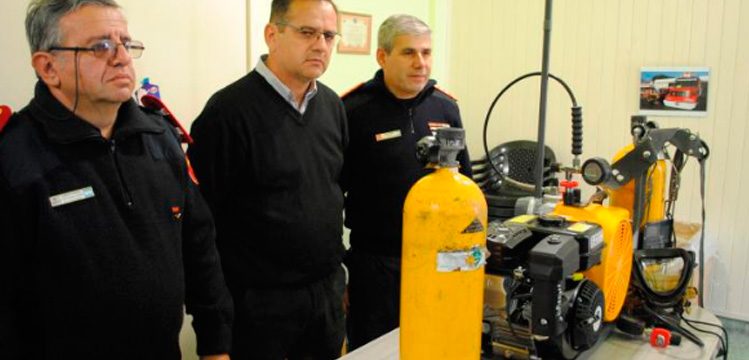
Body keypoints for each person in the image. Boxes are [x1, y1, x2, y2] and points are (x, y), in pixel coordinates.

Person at [0, 1, 233, 359]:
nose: (122, 57)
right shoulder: (14, 157)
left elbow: (199, 249)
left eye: (126, 43)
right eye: (101, 46)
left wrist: (216, 346)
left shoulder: (160, 137)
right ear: (48, 67)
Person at [186, 0, 347, 359]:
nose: (320, 44)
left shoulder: (333, 107)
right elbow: (200, 226)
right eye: (307, 32)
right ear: (272, 35)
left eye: (328, 35)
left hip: (324, 298)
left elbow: (332, 192)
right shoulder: (227, 113)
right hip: (259, 308)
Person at [340, 14, 472, 350]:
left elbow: (466, 186)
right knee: (374, 349)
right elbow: (329, 195)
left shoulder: (445, 107)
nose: (421, 63)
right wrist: (338, 267)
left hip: (438, 260)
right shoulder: (353, 110)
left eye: (426, 53)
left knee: (434, 346)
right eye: (408, 53)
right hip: (376, 265)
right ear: (382, 57)